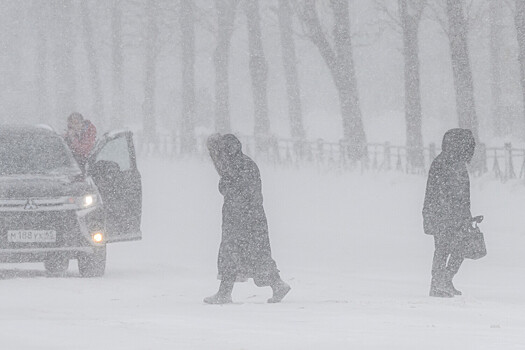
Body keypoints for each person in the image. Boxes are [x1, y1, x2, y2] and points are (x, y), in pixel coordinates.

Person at [204, 134, 291, 304]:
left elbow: (230, 189)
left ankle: (225, 293)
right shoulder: (243, 163)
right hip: (251, 217)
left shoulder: (235, 166)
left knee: (233, 253)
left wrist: (238, 210)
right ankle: (276, 284)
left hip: (240, 218)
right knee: (255, 253)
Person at [422, 128, 476, 298]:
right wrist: (450, 213)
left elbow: (462, 195)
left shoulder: (455, 163)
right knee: (443, 248)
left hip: (452, 215)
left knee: (458, 247)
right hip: (442, 215)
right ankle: (439, 283)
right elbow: (440, 193)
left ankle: (444, 280)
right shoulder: (444, 163)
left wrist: (466, 215)